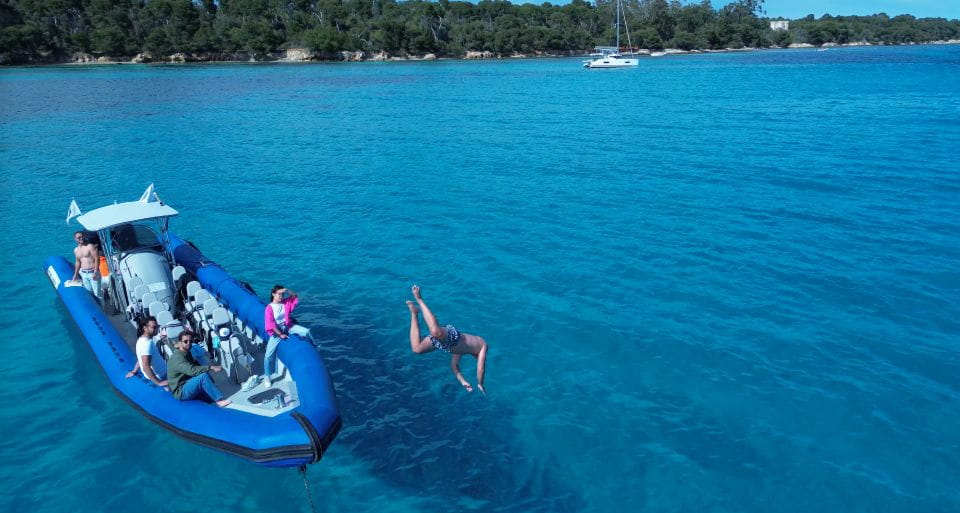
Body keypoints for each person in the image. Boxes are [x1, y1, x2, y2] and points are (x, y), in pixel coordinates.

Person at [406, 285, 488, 395]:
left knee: (417, 349)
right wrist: (480, 383)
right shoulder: (483, 345)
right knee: (435, 331)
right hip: (454, 336)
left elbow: (454, 366)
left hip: (445, 345)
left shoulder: (461, 351)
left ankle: (414, 313)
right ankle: (419, 299)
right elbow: (481, 368)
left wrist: (463, 381)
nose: (478, 359)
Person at [263, 285, 316, 388]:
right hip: (277, 332)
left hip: (288, 327)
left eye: (282, 294)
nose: (281, 296)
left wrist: (287, 290)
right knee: (268, 356)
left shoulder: (285, 302)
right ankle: (267, 376)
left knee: (306, 331)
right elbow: (271, 324)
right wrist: (280, 334)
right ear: (273, 294)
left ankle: (314, 345)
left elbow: (295, 296)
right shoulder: (269, 308)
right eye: (279, 294)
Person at [167, 332, 231, 407]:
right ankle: (219, 401)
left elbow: (195, 366)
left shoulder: (186, 352)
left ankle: (210, 395)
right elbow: (192, 370)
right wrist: (211, 367)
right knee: (202, 376)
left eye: (190, 341)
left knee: (204, 374)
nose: (189, 343)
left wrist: (210, 379)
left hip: (187, 382)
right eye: (185, 341)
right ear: (180, 343)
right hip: (181, 391)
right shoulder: (178, 358)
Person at [125, 316, 168, 387]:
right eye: (154, 327)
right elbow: (145, 366)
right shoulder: (147, 344)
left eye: (157, 326)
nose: (156, 329)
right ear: (145, 328)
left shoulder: (141, 340)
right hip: (162, 376)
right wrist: (159, 383)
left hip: (162, 373)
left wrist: (134, 370)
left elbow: (141, 359)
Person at [71, 231, 101, 300]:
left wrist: (95, 272)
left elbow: (97, 259)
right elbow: (78, 262)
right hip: (84, 274)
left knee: (97, 294)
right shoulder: (76, 250)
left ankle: (102, 310)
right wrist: (75, 274)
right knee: (89, 293)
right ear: (75, 239)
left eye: (82, 237)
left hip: (93, 273)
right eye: (79, 238)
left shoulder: (90, 246)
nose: (81, 238)